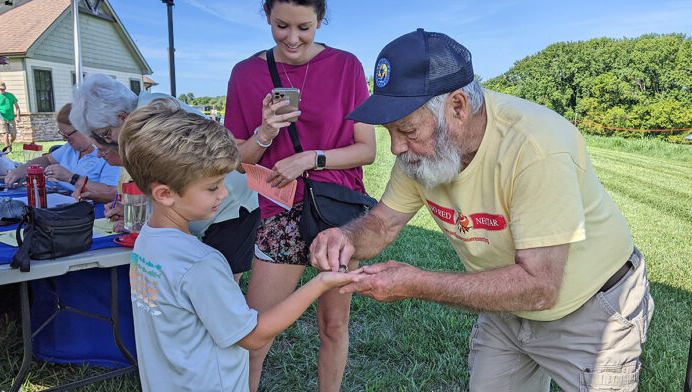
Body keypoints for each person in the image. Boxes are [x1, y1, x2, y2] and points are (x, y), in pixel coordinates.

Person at [311, 29, 654, 392]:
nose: (396, 147)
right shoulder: (418, 155)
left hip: (590, 308)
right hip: (506, 306)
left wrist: (417, 284)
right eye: (390, 131)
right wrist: (346, 237)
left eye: (407, 130)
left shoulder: (535, 147)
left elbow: (540, 287)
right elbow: (382, 223)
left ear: (458, 107)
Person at [118, 99, 360, 391]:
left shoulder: (146, 241)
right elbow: (253, 336)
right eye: (212, 187)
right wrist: (320, 283)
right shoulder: (201, 263)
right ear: (165, 193)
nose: (223, 193)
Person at [225, 1, 375, 390]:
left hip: (337, 210)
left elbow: (367, 150)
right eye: (281, 26)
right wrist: (265, 132)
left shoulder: (346, 66)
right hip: (280, 210)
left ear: (321, 20)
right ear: (267, 16)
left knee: (334, 325)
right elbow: (237, 160)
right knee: (254, 334)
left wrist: (310, 158)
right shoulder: (245, 74)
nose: (292, 38)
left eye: (305, 27)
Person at [70, 73, 261, 281]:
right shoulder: (146, 108)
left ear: (123, 117)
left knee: (221, 286)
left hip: (231, 208)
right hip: (216, 203)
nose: (108, 141)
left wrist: (142, 219)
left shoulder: (150, 118)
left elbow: (170, 180)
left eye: (106, 133)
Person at [4, 103, 118, 203]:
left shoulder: (108, 153)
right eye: (62, 134)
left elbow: (112, 193)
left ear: (84, 129)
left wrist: (71, 178)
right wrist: (24, 169)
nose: (64, 139)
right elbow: (47, 159)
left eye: (67, 135)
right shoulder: (71, 148)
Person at [0, 82, 21, 154]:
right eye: (0, 89)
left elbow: (17, 107)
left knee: (14, 135)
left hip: (11, 118)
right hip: (1, 117)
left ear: (5, 88)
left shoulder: (10, 96)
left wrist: (18, 116)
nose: (2, 91)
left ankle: (10, 142)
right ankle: (8, 150)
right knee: (5, 134)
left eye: (3, 89)